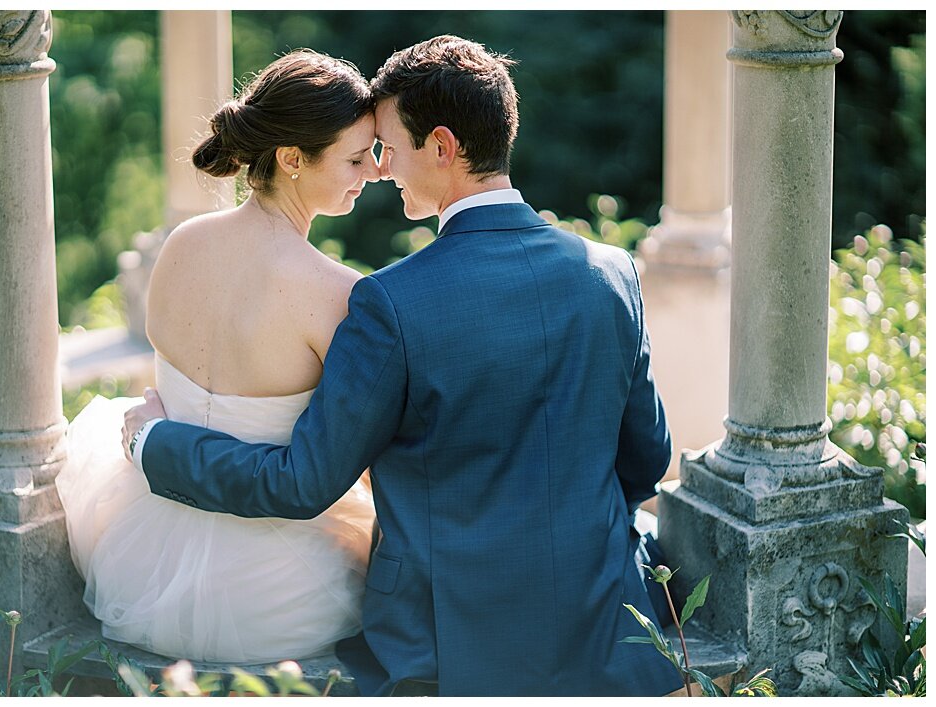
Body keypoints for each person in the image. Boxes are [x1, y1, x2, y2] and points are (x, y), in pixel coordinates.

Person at [124, 35, 683, 697]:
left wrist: (152, 442)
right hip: (600, 619)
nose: (380, 171)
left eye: (385, 149)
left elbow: (302, 482)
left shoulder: (390, 301)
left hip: (444, 639)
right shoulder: (612, 273)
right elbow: (648, 460)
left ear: (442, 148)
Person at [55, 50, 381, 664]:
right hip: (275, 593)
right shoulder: (337, 293)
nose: (371, 172)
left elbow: (167, 363)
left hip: (141, 561)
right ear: (291, 159)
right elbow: (352, 458)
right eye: (356, 158)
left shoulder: (182, 244)